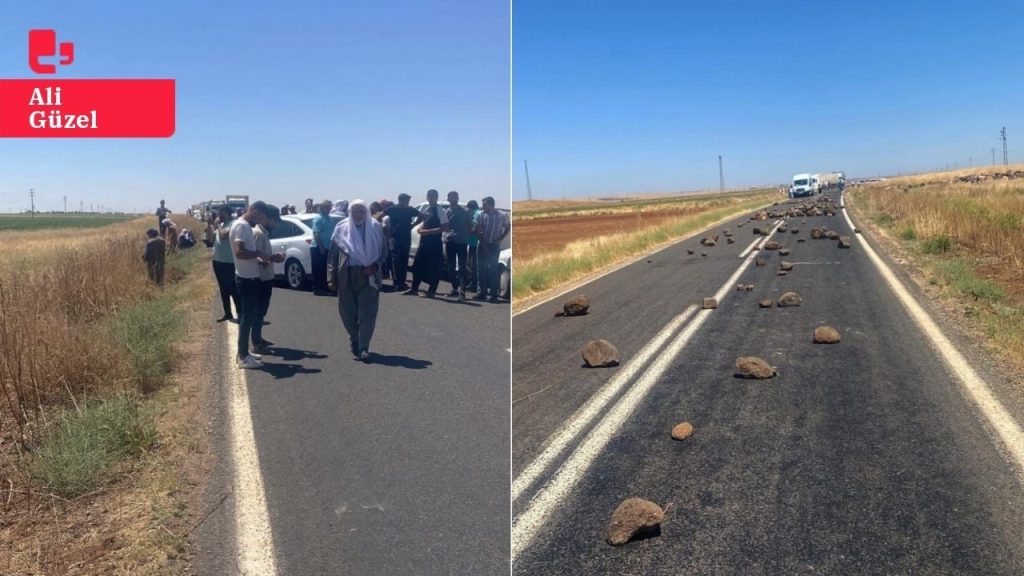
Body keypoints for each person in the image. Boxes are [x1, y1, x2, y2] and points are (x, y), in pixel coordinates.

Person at [327, 199, 389, 361]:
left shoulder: (375, 227)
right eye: (355, 211)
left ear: (366, 212)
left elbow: (384, 251)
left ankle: (363, 347)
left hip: (369, 275)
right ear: (350, 212)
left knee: (368, 313)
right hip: (346, 274)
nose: (358, 214)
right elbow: (332, 256)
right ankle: (354, 339)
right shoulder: (341, 228)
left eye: (361, 211)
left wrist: (374, 266)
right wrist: (331, 278)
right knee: (348, 312)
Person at [231, 201, 272, 369]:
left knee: (248, 317)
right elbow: (240, 252)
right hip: (246, 278)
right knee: (247, 318)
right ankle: (242, 357)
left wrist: (261, 258)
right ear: (253, 211)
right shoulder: (242, 226)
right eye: (260, 217)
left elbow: (245, 253)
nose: (261, 221)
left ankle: (244, 352)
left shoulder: (244, 226)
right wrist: (259, 253)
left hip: (249, 276)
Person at [252, 206, 286, 353]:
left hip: (265, 277)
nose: (275, 224)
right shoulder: (258, 234)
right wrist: (272, 259)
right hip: (259, 278)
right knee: (258, 311)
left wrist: (272, 259)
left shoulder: (263, 234)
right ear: (266, 219)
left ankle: (258, 338)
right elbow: (253, 256)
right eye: (274, 221)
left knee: (261, 310)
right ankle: (256, 342)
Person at [405, 189, 448, 298]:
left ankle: (432, 291)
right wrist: (419, 228)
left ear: (437, 197)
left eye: (433, 196)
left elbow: (445, 227)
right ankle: (414, 289)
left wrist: (428, 232)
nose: (431, 197)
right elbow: (423, 222)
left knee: (434, 268)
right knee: (417, 266)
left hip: (434, 243)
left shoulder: (440, 210)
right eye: (429, 195)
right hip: (424, 243)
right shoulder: (428, 209)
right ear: (427, 197)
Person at [472, 196, 509, 304]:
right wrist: (484, 246)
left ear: (491, 204)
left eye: (484, 205)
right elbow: (478, 231)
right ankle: (482, 292)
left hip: (494, 246)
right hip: (483, 245)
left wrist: (501, 238)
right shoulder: (481, 214)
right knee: (481, 270)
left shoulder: (502, 215)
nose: (482, 207)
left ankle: (494, 294)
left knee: (493, 270)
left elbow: (507, 227)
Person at [384, 193, 420, 291]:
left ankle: (402, 282)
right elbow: (381, 215)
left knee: (404, 260)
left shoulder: (410, 209)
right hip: (394, 237)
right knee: (395, 260)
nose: (407, 202)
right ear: (401, 200)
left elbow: (421, 216)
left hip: (406, 238)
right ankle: (396, 282)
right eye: (406, 200)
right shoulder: (392, 209)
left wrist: (413, 225)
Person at [212, 205, 238, 322]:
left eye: (220, 212)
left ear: (226, 213)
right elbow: (211, 238)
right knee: (223, 288)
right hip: (218, 260)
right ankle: (227, 313)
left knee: (232, 288)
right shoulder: (221, 225)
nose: (218, 215)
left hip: (228, 261)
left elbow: (223, 236)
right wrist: (210, 225)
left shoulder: (233, 224)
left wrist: (217, 224)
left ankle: (240, 312)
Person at [444, 191, 470, 301]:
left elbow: (470, 226)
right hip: (450, 241)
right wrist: (446, 236)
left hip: (462, 242)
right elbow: (445, 226)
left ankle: (462, 292)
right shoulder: (447, 211)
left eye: (455, 197)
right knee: (450, 267)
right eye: (451, 198)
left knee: (462, 268)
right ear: (448, 199)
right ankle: (454, 288)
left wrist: (465, 236)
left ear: (458, 199)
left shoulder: (464, 211)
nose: (453, 199)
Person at [311, 199, 335, 296]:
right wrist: (321, 247)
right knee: (319, 269)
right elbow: (316, 233)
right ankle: (318, 288)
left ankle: (326, 287)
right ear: (323, 208)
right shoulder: (318, 219)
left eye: (330, 207)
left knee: (326, 269)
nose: (330, 209)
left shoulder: (329, 218)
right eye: (328, 207)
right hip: (318, 247)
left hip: (328, 247)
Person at [465, 199, 480, 292]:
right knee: (474, 265)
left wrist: (466, 232)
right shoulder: (479, 212)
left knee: (474, 265)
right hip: (475, 243)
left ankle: (474, 285)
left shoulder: (475, 214)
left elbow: (474, 228)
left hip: (474, 243)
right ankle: (473, 284)